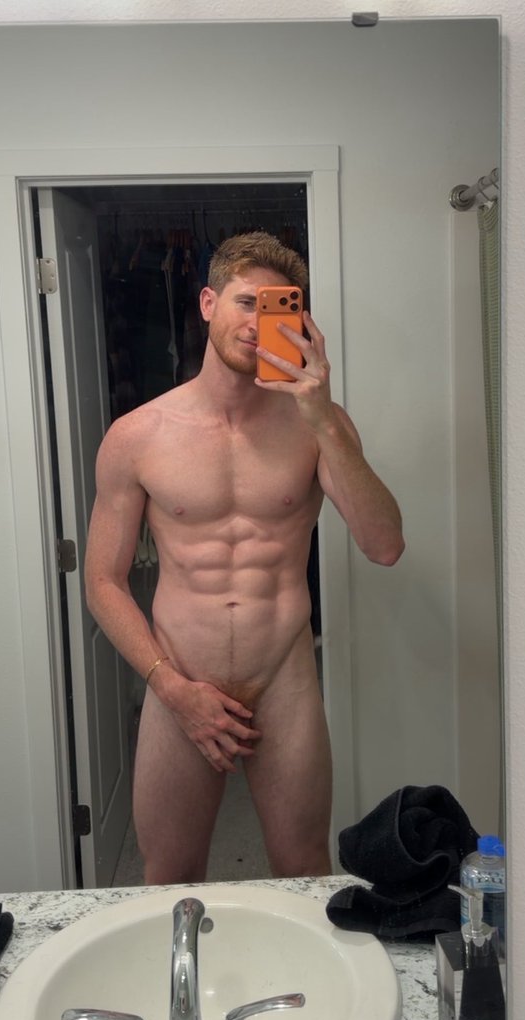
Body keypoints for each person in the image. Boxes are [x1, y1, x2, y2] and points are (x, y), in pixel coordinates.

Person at [84, 231, 404, 885]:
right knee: (169, 875)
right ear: (208, 304)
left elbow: (384, 545)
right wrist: (170, 688)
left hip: (283, 678)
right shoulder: (137, 435)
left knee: (303, 871)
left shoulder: (319, 425)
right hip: (180, 676)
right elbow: (103, 581)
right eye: (245, 302)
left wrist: (320, 414)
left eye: (277, 308)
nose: (259, 324)